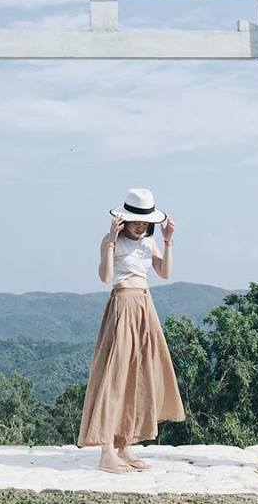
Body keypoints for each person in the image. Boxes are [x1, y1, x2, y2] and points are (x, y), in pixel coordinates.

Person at [76, 188, 187, 474]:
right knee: (116, 374)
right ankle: (106, 451)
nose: (140, 225)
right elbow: (105, 277)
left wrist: (168, 241)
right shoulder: (112, 241)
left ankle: (126, 444)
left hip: (145, 305)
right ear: (123, 219)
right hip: (122, 305)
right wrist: (111, 243)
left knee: (140, 373)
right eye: (136, 220)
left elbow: (165, 273)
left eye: (145, 221)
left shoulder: (149, 242)